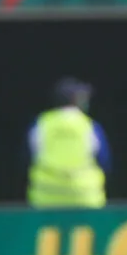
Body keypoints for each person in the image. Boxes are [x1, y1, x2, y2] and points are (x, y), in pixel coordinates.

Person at [27, 77, 110, 209]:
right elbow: (104, 161)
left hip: (46, 198)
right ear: (76, 100)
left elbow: (27, 157)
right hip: (85, 197)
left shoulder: (41, 124)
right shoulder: (89, 125)